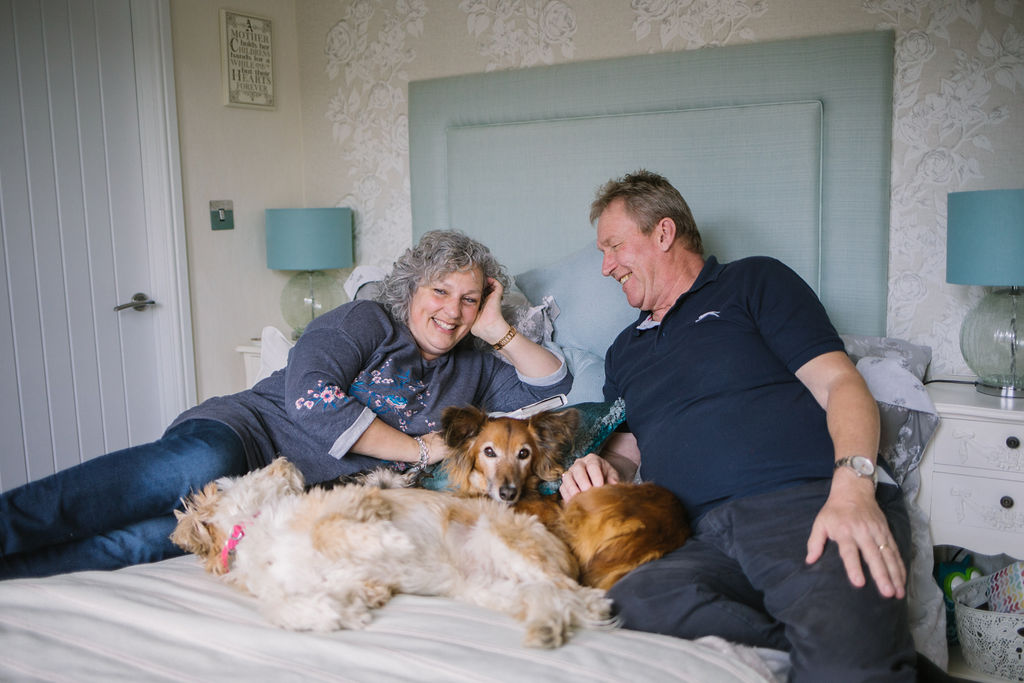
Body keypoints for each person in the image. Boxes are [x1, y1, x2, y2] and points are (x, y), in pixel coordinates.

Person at [0, 230, 570, 580]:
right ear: (411, 292)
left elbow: (550, 391)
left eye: (468, 299)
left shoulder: (475, 367)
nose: (452, 310)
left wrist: (497, 329)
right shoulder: (367, 320)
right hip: (246, 434)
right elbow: (311, 396)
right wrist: (418, 447)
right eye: (440, 292)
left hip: (280, 499)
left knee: (151, 539)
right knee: (194, 470)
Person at [558, 170, 917, 681]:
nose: (605, 267)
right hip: (694, 536)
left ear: (663, 233)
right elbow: (629, 449)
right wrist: (598, 466)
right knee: (626, 603)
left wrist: (854, 491)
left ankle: (852, 649)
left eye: (614, 247)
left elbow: (841, 384)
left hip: (805, 506)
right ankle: (844, 641)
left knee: (847, 668)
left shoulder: (752, 282)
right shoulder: (624, 351)